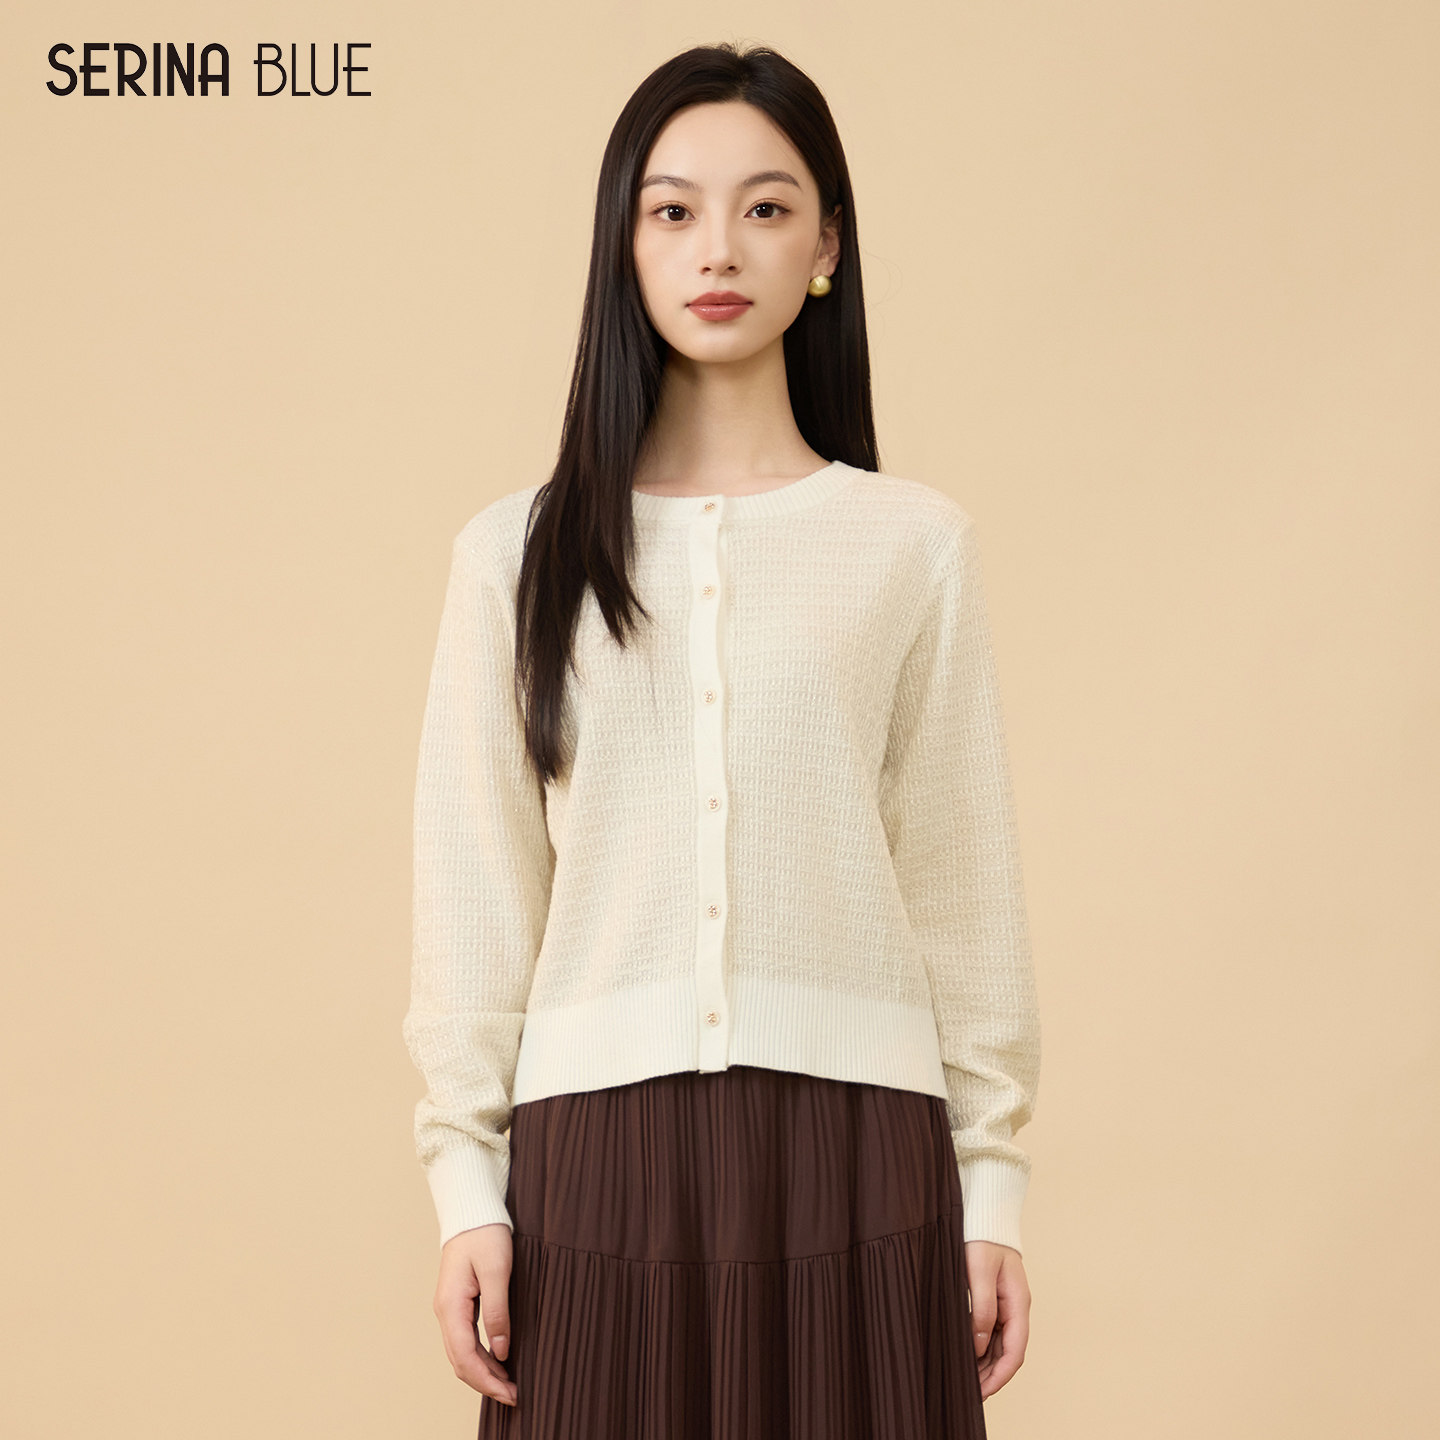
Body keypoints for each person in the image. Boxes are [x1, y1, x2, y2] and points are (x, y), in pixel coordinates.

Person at [402, 41, 1042, 1439]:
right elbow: (476, 890)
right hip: (594, 1158)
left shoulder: (911, 545)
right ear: (623, 243)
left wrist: (990, 1186)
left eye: (765, 207)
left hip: (861, 1151)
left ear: (827, 247)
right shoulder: (513, 556)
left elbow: (962, 883)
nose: (718, 249)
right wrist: (466, 1190)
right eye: (673, 209)